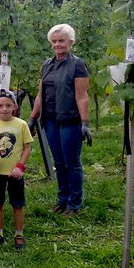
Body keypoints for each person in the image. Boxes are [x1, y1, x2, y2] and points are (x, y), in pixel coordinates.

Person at [29, 24, 92, 217]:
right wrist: (33, 118)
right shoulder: (47, 65)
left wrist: (85, 123)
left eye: (61, 40)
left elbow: (82, 96)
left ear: (70, 42)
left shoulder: (77, 64)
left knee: (72, 162)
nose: (57, 44)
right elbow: (41, 94)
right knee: (59, 162)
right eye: (54, 41)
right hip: (50, 121)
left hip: (70, 120)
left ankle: (74, 203)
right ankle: (62, 199)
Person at [0, 88, 33, 249]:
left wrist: (20, 166)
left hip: (15, 173)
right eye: (1, 105)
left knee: (17, 203)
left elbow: (27, 148)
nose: (4, 109)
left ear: (15, 107)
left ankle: (19, 234)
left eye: (8, 105)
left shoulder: (21, 125)